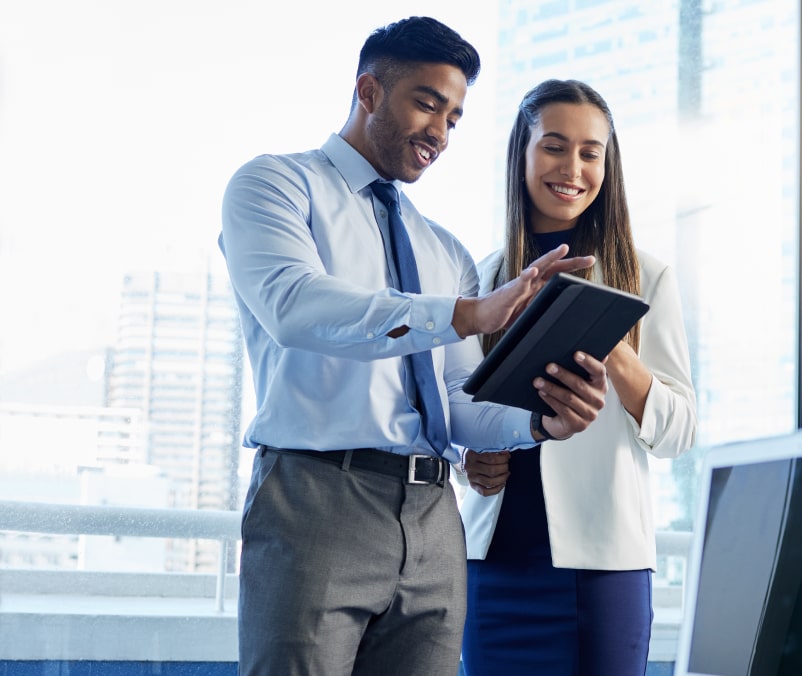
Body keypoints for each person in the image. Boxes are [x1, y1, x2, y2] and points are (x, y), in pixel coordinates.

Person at [219, 19, 609, 676]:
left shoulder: (443, 250)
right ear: (369, 91)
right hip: (317, 499)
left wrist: (540, 420)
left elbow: (457, 401)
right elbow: (296, 306)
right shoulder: (277, 186)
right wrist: (463, 314)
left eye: (454, 117)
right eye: (427, 103)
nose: (440, 132)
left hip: (433, 519)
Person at [458, 79, 698, 675]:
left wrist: (614, 347)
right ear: (522, 153)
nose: (573, 167)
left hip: (604, 567)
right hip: (495, 563)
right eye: (554, 146)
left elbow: (680, 431)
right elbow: (457, 409)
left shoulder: (648, 277)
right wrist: (470, 456)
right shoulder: (482, 278)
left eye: (591, 152)